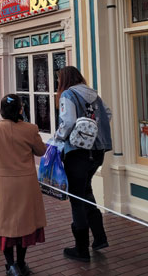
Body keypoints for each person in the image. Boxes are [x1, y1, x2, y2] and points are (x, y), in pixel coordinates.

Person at [0, 94, 47, 276]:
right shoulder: (30, 129)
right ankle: (22, 262)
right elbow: (41, 150)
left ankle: (11, 265)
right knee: (24, 225)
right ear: (20, 109)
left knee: (4, 225)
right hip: (25, 183)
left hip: (2, 183)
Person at [53, 66, 112, 262]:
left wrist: (58, 138)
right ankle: (100, 237)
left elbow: (68, 121)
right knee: (86, 192)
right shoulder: (94, 94)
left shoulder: (68, 95)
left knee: (76, 198)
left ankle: (81, 249)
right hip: (97, 151)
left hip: (77, 153)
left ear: (64, 79)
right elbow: (108, 114)